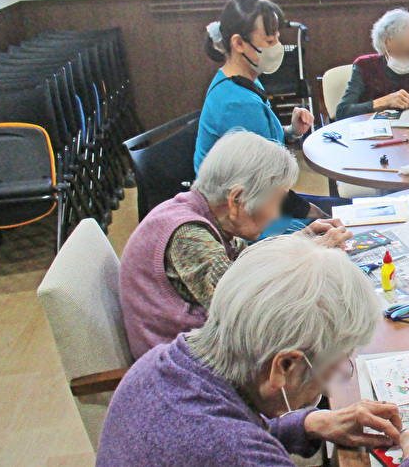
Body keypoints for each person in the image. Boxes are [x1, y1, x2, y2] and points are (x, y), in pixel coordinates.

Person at [99, 235, 409, 466]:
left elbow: (223, 426)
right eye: (332, 369)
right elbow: (226, 445)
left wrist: (310, 422)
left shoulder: (161, 363)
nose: (328, 386)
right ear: (285, 366)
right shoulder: (238, 454)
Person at [119, 131, 352, 360]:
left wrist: (304, 238)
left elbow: (247, 260)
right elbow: (251, 313)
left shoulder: (200, 212)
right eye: (276, 201)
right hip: (181, 372)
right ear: (236, 199)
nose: (276, 214)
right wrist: (309, 256)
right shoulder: (189, 237)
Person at [197, 0, 342, 219]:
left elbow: (260, 144)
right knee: (348, 218)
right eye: (270, 40)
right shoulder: (237, 103)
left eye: (277, 37)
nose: (277, 47)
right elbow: (266, 186)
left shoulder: (242, 81)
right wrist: (316, 215)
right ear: (238, 43)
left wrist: (291, 132)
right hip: (245, 216)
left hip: (257, 200)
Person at [336, 8, 409, 120]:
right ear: (387, 43)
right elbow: (342, 112)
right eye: (407, 52)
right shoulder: (365, 67)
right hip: (371, 137)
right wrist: (384, 102)